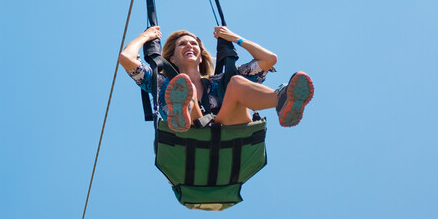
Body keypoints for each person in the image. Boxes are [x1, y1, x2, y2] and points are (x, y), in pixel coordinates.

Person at [119, 25, 313, 133]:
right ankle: (183, 111)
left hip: (229, 131)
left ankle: (281, 100)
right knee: (184, 85)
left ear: (201, 56)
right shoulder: (160, 82)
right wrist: (146, 36)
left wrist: (235, 38)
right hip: (191, 136)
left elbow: (269, 59)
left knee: (236, 83)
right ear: (171, 58)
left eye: (194, 44)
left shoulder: (219, 81)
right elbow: (126, 58)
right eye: (182, 44)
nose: (189, 46)